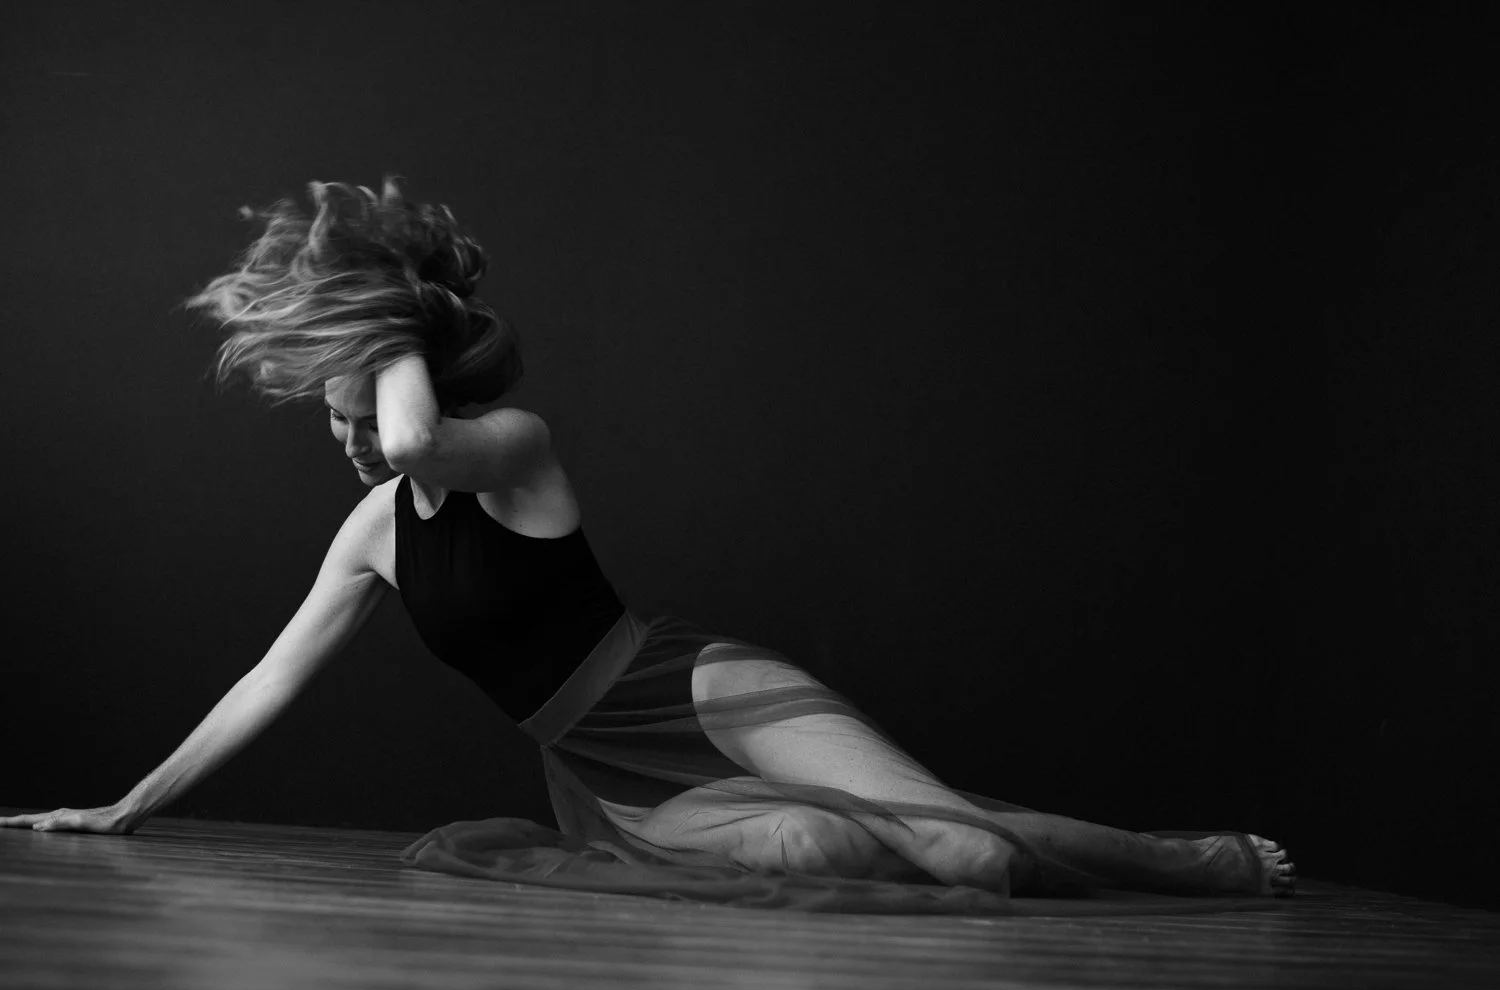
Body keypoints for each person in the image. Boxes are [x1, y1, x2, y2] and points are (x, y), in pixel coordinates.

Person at [1, 179, 1294, 913]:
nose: (349, 444)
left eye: (354, 410)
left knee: (972, 856)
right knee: (822, 854)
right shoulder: (371, 539)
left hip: (695, 686)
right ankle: (946, 838)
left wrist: (385, 316)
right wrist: (127, 804)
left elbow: (411, 439)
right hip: (602, 770)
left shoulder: (509, 447)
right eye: (331, 424)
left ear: (405, 373)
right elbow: (267, 682)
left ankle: (1191, 861)